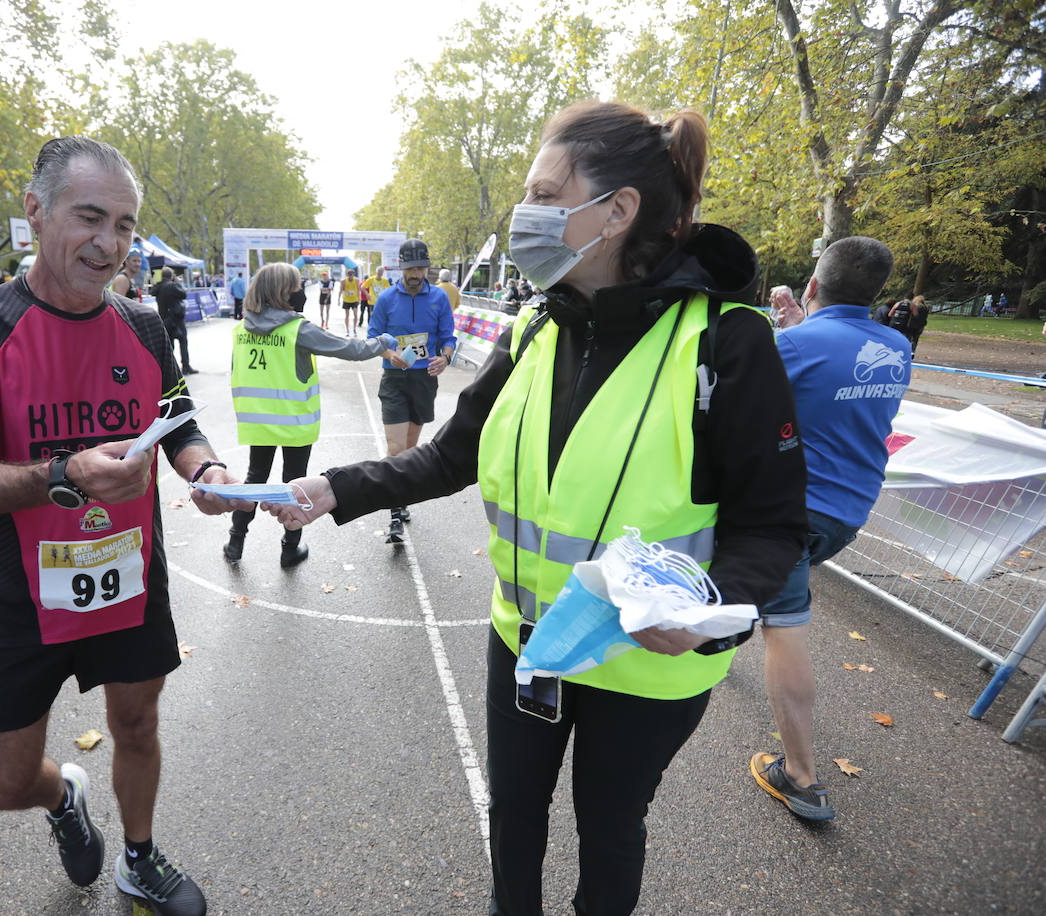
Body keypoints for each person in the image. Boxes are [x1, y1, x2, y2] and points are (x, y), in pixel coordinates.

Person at [263, 101, 806, 915]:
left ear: (616, 212)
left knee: (611, 827)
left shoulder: (728, 341)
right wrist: (338, 487)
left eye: (544, 193)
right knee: (513, 813)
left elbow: (772, 525)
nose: (525, 215)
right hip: (524, 638)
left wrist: (706, 606)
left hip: (645, 665)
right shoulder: (534, 327)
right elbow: (452, 454)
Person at [0, 136, 240, 912]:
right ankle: (64, 796)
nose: (109, 244)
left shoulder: (143, 323)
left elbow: (179, 426)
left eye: (125, 226)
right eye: (90, 218)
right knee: (2, 785)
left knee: (136, 722)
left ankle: (139, 855)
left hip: (127, 573)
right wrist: (61, 475)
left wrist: (205, 472)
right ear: (35, 212)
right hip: (16, 587)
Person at [756, 237, 911, 822]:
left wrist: (796, 330)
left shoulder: (791, 344)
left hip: (791, 509)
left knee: (785, 626)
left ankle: (800, 778)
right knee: (767, 599)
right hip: (848, 513)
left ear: (813, 285)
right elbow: (838, 380)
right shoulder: (896, 345)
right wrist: (805, 326)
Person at [224, 262, 403, 566]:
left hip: (258, 421)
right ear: (284, 292)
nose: (300, 293)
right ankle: (289, 548)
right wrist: (382, 343)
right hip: (294, 422)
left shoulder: (241, 328)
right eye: (296, 287)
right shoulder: (297, 329)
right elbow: (349, 348)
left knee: (255, 479)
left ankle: (235, 542)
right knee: (294, 484)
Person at [365, 237, 455, 543]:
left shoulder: (440, 298)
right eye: (410, 268)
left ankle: (400, 500)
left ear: (428, 267)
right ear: (401, 268)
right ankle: (394, 518)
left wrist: (444, 358)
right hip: (393, 380)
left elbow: (448, 337)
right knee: (395, 449)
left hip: (424, 381)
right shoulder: (387, 298)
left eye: (420, 267)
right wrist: (390, 355)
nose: (415, 274)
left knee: (411, 450)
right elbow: (373, 336)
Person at [152, 267, 195, 374]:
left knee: (169, 346)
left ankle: (169, 369)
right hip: (176, 319)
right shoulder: (173, 286)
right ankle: (185, 366)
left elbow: (152, 292)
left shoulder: (158, 287)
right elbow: (183, 294)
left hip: (164, 319)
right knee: (183, 342)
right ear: (171, 277)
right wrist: (177, 283)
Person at [339, 268, 362, 336]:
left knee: (355, 315)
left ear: (353, 275)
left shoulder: (357, 280)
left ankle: (354, 329)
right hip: (346, 300)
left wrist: (359, 298)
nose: (350, 276)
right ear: (347, 275)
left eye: (351, 275)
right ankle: (347, 330)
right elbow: (341, 290)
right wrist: (338, 299)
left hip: (354, 300)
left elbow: (358, 289)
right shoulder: (343, 281)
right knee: (347, 315)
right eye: (349, 275)